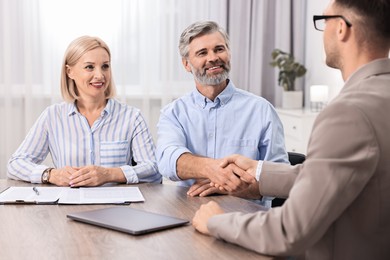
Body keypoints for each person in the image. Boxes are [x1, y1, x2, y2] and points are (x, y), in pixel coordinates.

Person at [192, 0, 390, 259]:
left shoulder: (347, 113)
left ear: (342, 28)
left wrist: (216, 221)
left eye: (324, 20)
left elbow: (289, 231)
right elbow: (333, 176)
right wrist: (260, 172)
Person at [156, 21, 288, 207]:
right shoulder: (173, 113)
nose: (213, 58)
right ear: (186, 64)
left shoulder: (261, 110)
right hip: (189, 215)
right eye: (202, 53)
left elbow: (280, 177)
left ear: (229, 53)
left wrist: (233, 187)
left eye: (219, 49)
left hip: (247, 220)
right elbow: (168, 160)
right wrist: (216, 171)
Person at [7, 36, 162, 187]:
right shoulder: (53, 116)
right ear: (70, 72)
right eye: (89, 67)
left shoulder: (132, 117)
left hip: (118, 208)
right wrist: (51, 174)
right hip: (66, 207)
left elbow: (154, 170)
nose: (100, 75)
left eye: (105, 66)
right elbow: (16, 164)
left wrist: (109, 174)